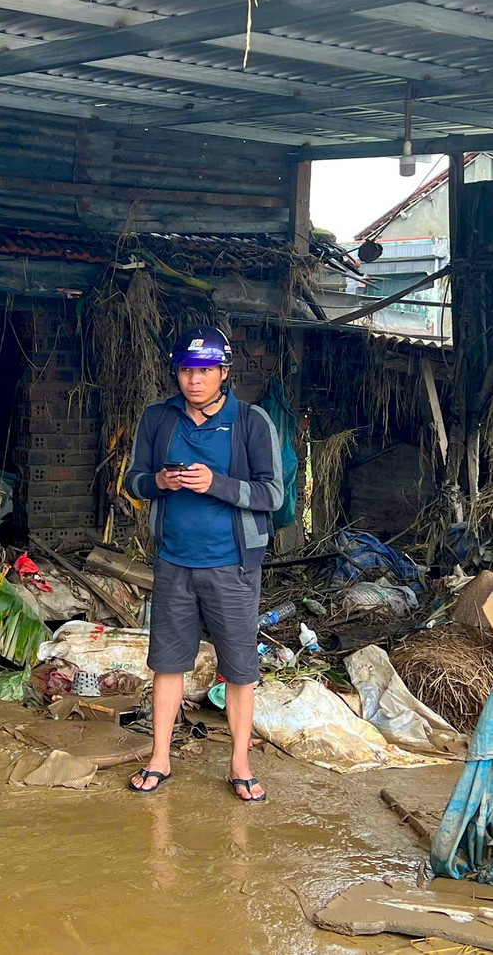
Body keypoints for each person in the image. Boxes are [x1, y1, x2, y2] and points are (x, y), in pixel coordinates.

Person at [123, 325, 284, 802]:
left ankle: (239, 762)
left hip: (232, 564)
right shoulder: (157, 418)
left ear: (223, 373)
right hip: (174, 561)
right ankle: (159, 757)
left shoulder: (251, 422)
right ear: (177, 373)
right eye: (187, 371)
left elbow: (273, 494)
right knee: (167, 664)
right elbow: (133, 481)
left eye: (205, 371)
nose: (195, 380)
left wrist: (216, 483)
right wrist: (160, 482)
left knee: (239, 668)